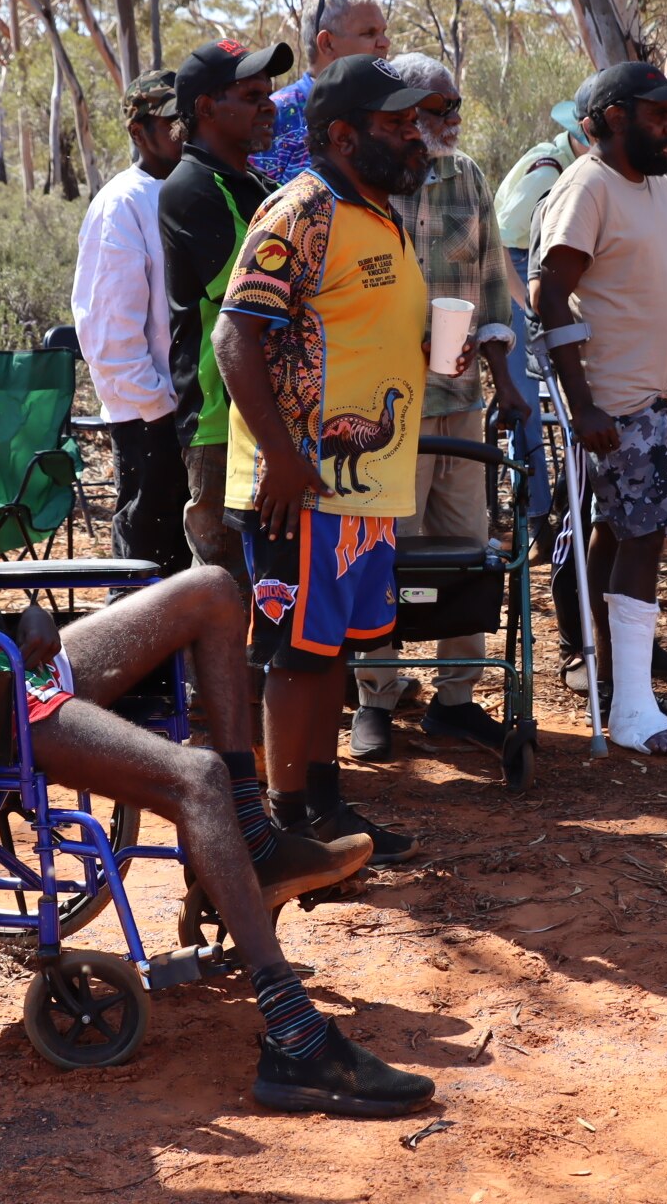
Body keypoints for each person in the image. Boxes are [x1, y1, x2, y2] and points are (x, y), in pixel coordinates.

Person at [0, 320, 431, 1117]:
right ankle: (296, 1039)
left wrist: (21, 617)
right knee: (189, 774)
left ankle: (253, 840)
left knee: (212, 590)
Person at [217, 54, 456, 862]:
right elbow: (233, 334)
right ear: (344, 135)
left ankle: (327, 811)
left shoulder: (380, 213)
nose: (414, 137)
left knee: (333, 654)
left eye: (415, 122)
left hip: (363, 490)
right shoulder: (303, 210)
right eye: (396, 126)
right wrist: (282, 460)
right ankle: (286, 826)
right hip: (304, 487)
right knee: (299, 654)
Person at [348, 53, 532, 762]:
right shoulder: (367, 183)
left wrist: (504, 379)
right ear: (406, 115)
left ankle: (456, 699)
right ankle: (376, 700)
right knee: (384, 553)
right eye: (441, 109)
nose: (454, 121)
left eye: (456, 108)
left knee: (468, 549)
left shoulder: (469, 177)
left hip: (461, 402)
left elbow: (488, 282)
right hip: (385, 412)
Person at [532, 61, 667, 756]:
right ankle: (633, 710)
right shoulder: (587, 186)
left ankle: (621, 683)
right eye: (658, 115)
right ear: (613, 118)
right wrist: (581, 403)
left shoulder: (658, 186)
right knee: (641, 538)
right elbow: (550, 296)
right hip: (617, 397)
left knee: (624, 532)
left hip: (663, 396)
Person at [160, 39, 289, 578]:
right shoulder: (189, 189)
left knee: (278, 591)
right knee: (226, 592)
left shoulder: (257, 184)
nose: (269, 105)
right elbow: (264, 289)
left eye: (269, 93)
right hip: (220, 425)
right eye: (252, 94)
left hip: (273, 416)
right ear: (207, 109)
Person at [71, 69, 189, 574]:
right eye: (171, 121)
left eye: (189, 118)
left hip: (193, 418)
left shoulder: (194, 189)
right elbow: (107, 333)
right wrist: (157, 408)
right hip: (151, 423)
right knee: (148, 566)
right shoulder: (122, 203)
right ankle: (131, 657)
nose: (184, 131)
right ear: (139, 131)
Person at [494, 98, 589, 525]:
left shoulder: (578, 169)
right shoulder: (546, 173)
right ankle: (533, 516)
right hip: (513, 271)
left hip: (545, 272)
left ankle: (573, 507)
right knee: (525, 402)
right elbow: (499, 242)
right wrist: (525, 307)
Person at [259, 0, 391, 188]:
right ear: (327, 43)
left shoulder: (388, 112)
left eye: (384, 32)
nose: (385, 42)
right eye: (369, 33)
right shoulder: (274, 115)